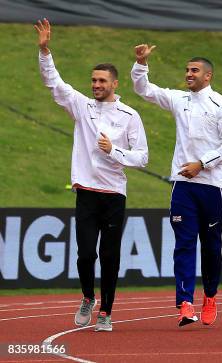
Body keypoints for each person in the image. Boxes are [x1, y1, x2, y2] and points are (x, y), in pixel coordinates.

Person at [35, 19, 149, 332]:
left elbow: (142, 157)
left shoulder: (130, 116)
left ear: (115, 84)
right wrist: (45, 50)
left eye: (101, 81)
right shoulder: (82, 106)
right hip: (86, 192)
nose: (96, 85)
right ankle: (88, 297)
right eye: (93, 80)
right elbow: (54, 82)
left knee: (109, 256)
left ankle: (107, 312)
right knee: (86, 255)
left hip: (114, 195)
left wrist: (114, 150)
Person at [131, 44, 222, 327]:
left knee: (212, 247)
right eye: (187, 70)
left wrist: (201, 163)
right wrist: (141, 63)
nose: (188, 74)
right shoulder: (179, 99)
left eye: (194, 71)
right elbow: (145, 90)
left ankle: (211, 296)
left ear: (208, 76)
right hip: (183, 185)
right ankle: (185, 303)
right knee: (185, 243)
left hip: (212, 185)